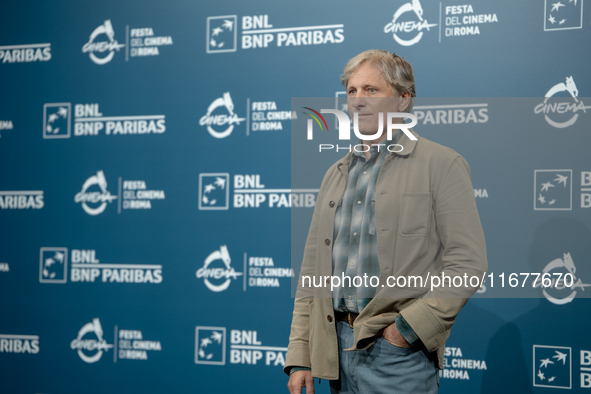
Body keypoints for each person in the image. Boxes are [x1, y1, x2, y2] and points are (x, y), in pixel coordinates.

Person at [285, 49, 487, 394]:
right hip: (333, 354)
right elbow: (312, 274)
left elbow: (468, 265)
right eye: (352, 91)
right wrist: (302, 354)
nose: (358, 100)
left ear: (404, 99)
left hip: (398, 357)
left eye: (371, 90)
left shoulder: (441, 164)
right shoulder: (335, 174)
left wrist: (404, 332)